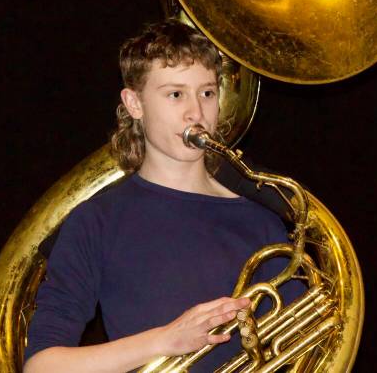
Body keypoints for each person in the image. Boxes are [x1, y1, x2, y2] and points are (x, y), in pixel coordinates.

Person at [23, 19, 297, 373]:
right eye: (175, 94)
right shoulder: (97, 221)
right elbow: (42, 367)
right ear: (134, 103)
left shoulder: (261, 220)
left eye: (207, 93)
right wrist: (165, 340)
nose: (196, 113)